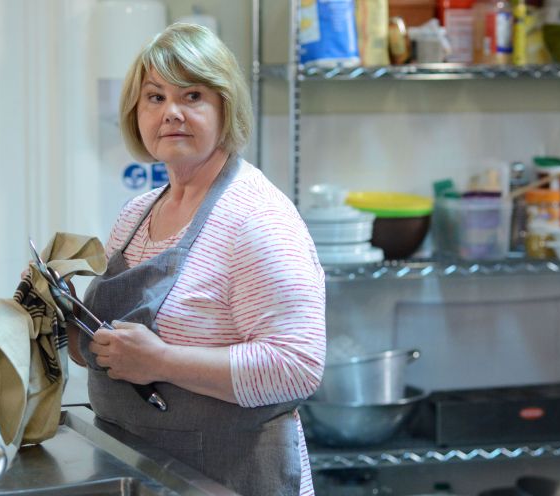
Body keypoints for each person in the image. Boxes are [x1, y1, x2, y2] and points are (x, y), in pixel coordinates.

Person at [70, 23, 326, 496]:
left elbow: (297, 366)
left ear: (225, 109)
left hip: (233, 476)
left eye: (192, 96)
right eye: (154, 97)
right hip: (147, 468)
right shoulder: (135, 215)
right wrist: (65, 319)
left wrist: (163, 361)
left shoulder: (256, 218)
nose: (171, 113)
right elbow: (116, 357)